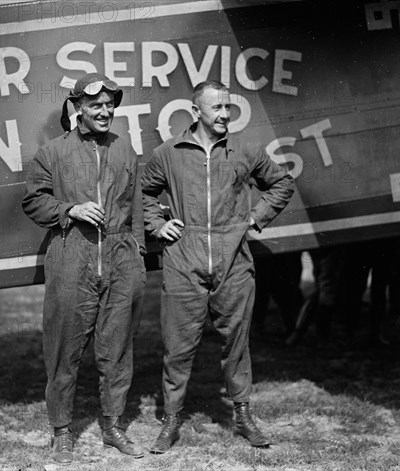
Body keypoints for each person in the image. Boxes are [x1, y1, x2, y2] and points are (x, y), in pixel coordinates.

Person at [142, 80, 295, 452]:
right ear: (196, 112)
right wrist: (158, 225)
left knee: (237, 344)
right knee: (177, 348)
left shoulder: (244, 149)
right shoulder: (169, 152)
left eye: (228, 107)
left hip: (233, 262)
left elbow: (282, 183)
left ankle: (242, 415)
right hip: (183, 260)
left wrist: (256, 218)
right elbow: (144, 193)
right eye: (217, 108)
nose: (226, 114)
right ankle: (171, 419)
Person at [22, 73, 146, 463]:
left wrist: (137, 252)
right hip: (71, 256)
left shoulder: (126, 150)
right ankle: (61, 431)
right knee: (63, 349)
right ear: (77, 108)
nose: (105, 111)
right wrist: (69, 210)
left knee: (117, 349)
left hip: (120, 258)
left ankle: (111, 427)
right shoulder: (52, 153)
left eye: (110, 105)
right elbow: (33, 202)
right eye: (96, 105)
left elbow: (137, 206)